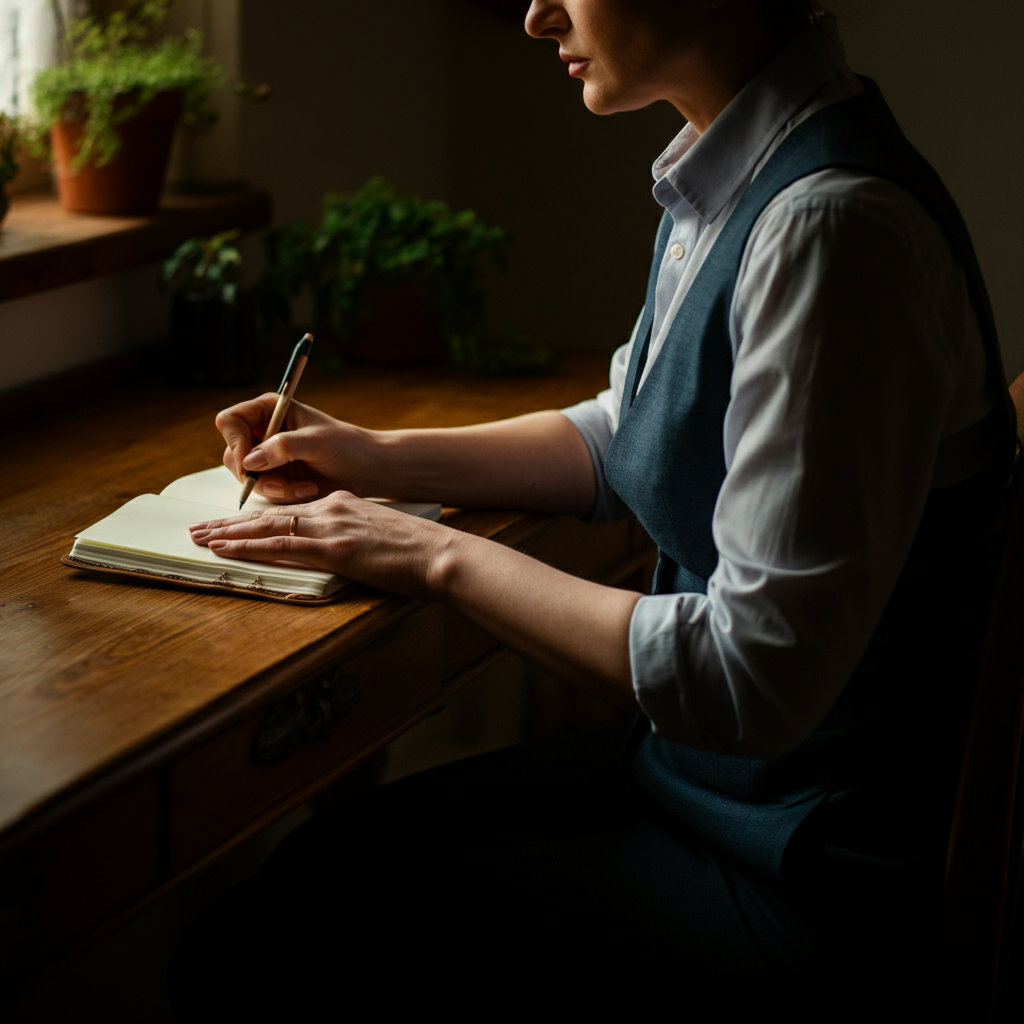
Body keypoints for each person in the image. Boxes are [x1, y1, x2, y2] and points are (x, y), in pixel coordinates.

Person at [168, 1, 1015, 1018]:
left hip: (805, 883)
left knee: (263, 941)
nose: (533, 15)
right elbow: (632, 430)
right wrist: (369, 453)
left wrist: (434, 556)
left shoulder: (829, 227)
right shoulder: (735, 166)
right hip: (704, 791)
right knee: (314, 865)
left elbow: (751, 679)